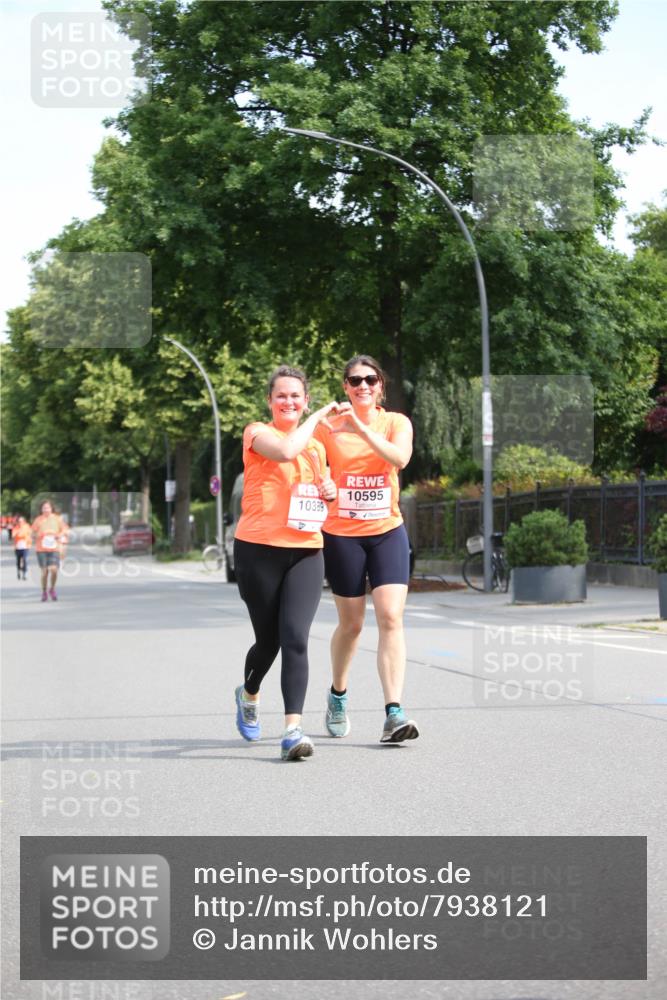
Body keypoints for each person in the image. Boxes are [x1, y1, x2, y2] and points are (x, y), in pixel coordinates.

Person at [233, 365, 338, 761]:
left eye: (296, 396)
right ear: (270, 401)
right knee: (269, 642)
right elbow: (286, 451)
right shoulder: (257, 433)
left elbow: (322, 494)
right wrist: (320, 416)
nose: (289, 401)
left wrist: (329, 490)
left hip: (306, 550)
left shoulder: (317, 447)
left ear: (304, 400)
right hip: (258, 550)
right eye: (282, 395)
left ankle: (293, 730)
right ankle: (249, 694)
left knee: (295, 638)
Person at [314, 354, 419, 744]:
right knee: (353, 624)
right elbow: (312, 467)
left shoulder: (395, 423)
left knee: (391, 616)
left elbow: (400, 458)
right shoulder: (327, 427)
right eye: (355, 380)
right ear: (345, 386)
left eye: (370, 380)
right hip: (343, 534)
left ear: (380, 386)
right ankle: (338, 694)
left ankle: (394, 712)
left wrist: (358, 426)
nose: (363, 386)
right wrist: (324, 483)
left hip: (387, 530)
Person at [31, 499, 69, 602]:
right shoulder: (38, 520)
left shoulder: (57, 519)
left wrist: (59, 535)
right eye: (44, 508)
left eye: (48, 507)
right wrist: (37, 535)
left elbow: (65, 530)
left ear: (51, 508)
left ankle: (52, 589)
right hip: (41, 549)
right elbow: (32, 533)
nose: (46, 509)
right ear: (41, 509)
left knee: (54, 570)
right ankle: (44, 591)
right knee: (44, 572)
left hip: (54, 548)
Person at [12, 515, 32, 580]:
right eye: (19, 521)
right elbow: (13, 535)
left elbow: (30, 534)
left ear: (24, 521)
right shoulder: (16, 528)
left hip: (25, 547)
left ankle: (24, 574)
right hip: (17, 547)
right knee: (18, 560)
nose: (20, 523)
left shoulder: (27, 527)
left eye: (21, 521)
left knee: (25, 559)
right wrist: (18, 532)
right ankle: (18, 571)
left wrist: (24, 536)